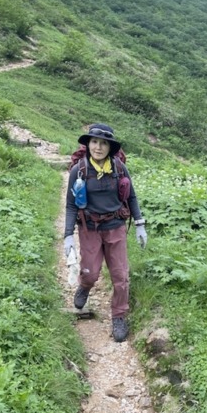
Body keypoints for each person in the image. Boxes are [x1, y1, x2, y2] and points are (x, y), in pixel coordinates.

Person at [63, 123, 147, 342]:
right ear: (88, 144)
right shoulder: (78, 170)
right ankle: (85, 286)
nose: (98, 147)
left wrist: (139, 223)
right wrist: (68, 235)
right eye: (94, 142)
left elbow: (132, 197)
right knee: (91, 272)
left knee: (121, 276)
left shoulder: (119, 168)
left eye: (103, 143)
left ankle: (119, 315)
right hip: (89, 228)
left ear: (111, 147)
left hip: (115, 227)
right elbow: (71, 205)